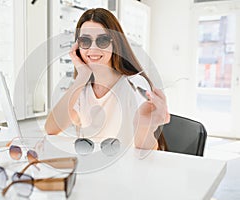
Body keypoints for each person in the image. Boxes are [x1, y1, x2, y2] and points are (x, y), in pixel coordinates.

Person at [45, 8, 170, 150]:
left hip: (127, 167)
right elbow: (51, 129)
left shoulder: (134, 84)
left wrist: (144, 127)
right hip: (93, 166)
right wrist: (82, 78)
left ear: (115, 43)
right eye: (85, 40)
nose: (93, 48)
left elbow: (150, 150)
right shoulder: (82, 89)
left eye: (102, 40)